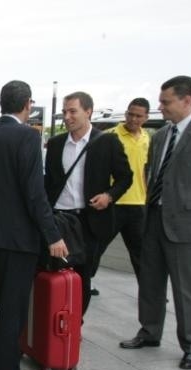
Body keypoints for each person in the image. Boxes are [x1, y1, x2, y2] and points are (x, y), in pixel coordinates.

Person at [0, 80, 67, 370]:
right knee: (12, 304)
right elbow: (34, 192)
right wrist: (52, 235)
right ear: (28, 104)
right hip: (16, 239)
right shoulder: (27, 137)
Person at [119, 75, 191, 370]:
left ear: (187, 100)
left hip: (187, 226)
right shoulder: (160, 136)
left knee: (186, 289)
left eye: (166, 102)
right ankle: (150, 331)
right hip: (153, 219)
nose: (161, 107)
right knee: (150, 281)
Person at [44, 91, 133, 314]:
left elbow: (126, 177)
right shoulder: (55, 144)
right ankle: (52, 323)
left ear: (88, 112)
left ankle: (75, 327)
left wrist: (109, 196)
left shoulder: (107, 142)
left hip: (89, 220)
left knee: (83, 276)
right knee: (51, 271)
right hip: (57, 219)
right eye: (64, 112)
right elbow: (48, 183)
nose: (67, 116)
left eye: (73, 111)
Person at [90, 98, 151, 283]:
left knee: (141, 253)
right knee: (97, 248)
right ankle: (86, 282)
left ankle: (149, 291)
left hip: (138, 204)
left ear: (146, 117)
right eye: (130, 114)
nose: (133, 119)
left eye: (138, 116)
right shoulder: (109, 136)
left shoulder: (149, 139)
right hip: (113, 203)